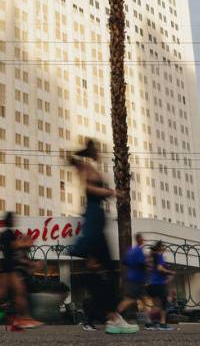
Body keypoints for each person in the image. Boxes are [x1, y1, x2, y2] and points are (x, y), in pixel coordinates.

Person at [68, 140, 137, 334]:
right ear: (91, 152)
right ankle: (112, 318)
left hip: (97, 218)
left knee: (100, 271)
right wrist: (112, 192)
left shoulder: (92, 168)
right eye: (97, 150)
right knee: (104, 271)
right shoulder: (87, 168)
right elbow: (90, 190)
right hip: (94, 219)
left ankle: (109, 317)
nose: (100, 153)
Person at [0, 212, 41, 329]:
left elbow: (3, 247)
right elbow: (13, 246)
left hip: (6, 268)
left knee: (2, 292)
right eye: (14, 219)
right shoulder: (9, 233)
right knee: (18, 292)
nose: (15, 221)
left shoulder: (4, 234)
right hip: (10, 269)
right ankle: (25, 318)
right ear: (10, 221)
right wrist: (25, 243)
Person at [115, 232, 147, 326]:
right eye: (143, 238)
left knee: (141, 299)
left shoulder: (131, 250)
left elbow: (124, 261)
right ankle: (115, 314)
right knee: (131, 299)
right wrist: (148, 263)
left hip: (131, 277)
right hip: (137, 279)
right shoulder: (138, 251)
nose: (144, 240)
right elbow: (142, 264)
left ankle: (148, 320)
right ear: (140, 240)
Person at [146, 242, 174, 331]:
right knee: (164, 304)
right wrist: (170, 272)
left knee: (155, 305)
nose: (165, 249)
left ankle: (150, 323)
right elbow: (159, 269)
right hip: (159, 284)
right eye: (163, 247)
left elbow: (150, 268)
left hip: (152, 284)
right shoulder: (159, 256)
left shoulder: (152, 257)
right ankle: (162, 323)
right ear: (160, 248)